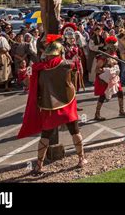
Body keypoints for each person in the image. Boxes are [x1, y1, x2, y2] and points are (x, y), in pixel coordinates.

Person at [17, 34, 86, 174]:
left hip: (49, 106)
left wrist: (24, 71)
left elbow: (25, 75)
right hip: (67, 104)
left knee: (45, 136)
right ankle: (81, 159)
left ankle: (39, 165)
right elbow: (76, 66)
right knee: (75, 131)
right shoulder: (67, 65)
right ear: (60, 53)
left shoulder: (39, 68)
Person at [93, 36, 125, 120]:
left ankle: (121, 111)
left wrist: (115, 70)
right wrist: (106, 71)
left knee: (120, 92)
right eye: (114, 47)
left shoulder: (114, 55)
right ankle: (97, 114)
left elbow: (115, 65)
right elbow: (97, 69)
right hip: (104, 79)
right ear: (110, 47)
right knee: (102, 96)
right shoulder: (103, 56)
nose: (115, 48)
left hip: (114, 78)